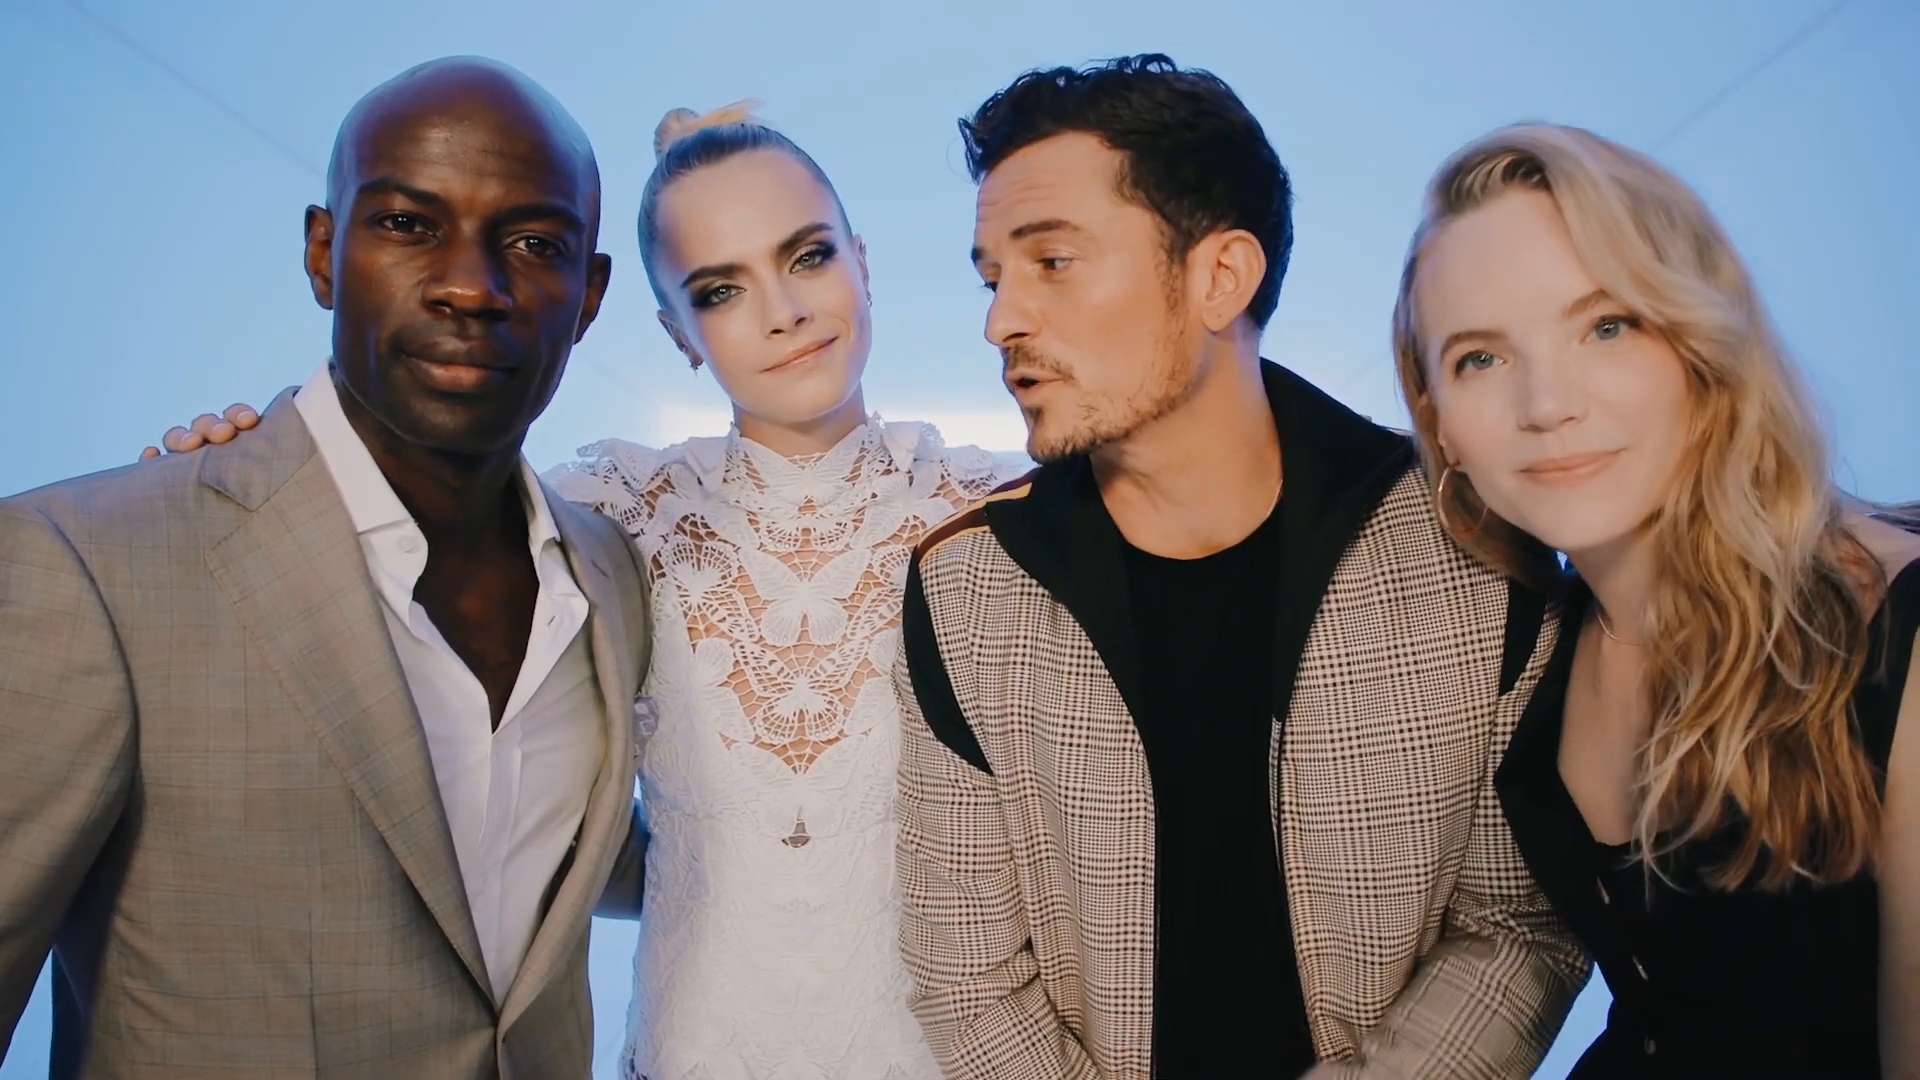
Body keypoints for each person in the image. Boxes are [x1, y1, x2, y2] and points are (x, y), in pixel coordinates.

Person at [139, 103, 1027, 1079]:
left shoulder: (1002, 509)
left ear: (863, 261)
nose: (783, 310)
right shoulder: (612, 515)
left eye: (808, 256)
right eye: (722, 289)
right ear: (679, 334)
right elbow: (377, 586)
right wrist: (233, 471)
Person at [894, 54, 1586, 1080]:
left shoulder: (1472, 547)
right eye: (994, 278)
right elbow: (969, 980)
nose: (1002, 321)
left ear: (1221, 276)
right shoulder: (966, 588)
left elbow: (1519, 927)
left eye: (1054, 262)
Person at [0, 57, 651, 1079]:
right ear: (322, 253)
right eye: (407, 223)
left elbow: (596, 854)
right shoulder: (90, 562)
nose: (471, 287)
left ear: (591, 295)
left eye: (534, 243)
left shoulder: (614, 577)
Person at [1392, 121, 1920, 1077]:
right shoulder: (1530, 656)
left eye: (1606, 325)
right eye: (1480, 358)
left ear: (1702, 344)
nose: (1547, 404)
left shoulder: (1899, 638)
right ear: (1442, 429)